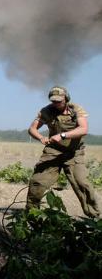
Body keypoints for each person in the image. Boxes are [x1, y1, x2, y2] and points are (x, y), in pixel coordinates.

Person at [25, 86, 100, 218]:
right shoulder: (46, 111)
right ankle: (32, 216)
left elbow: (83, 129)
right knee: (37, 182)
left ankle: (95, 217)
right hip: (53, 151)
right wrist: (41, 137)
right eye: (53, 100)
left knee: (82, 184)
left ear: (66, 99)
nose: (56, 103)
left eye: (59, 100)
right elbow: (32, 129)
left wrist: (62, 135)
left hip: (74, 153)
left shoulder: (76, 109)